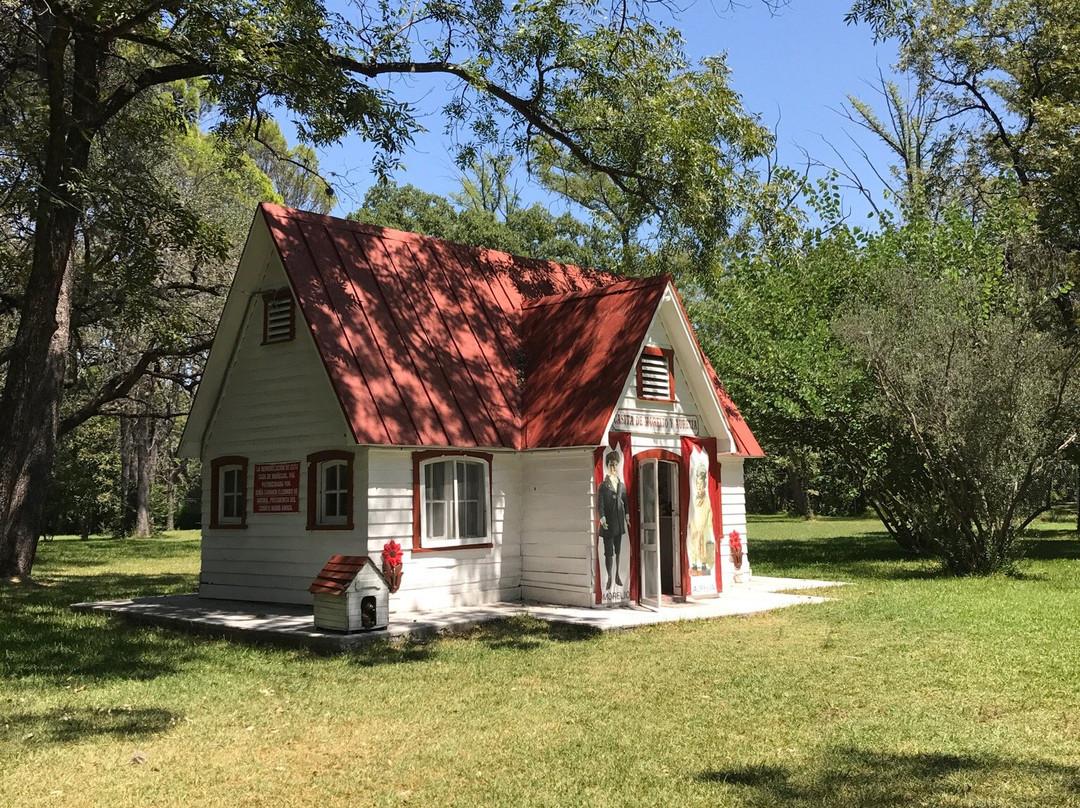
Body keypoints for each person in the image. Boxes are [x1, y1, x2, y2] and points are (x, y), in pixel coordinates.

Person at [597, 451, 628, 591]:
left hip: (619, 522)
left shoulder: (621, 485)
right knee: (608, 552)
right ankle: (609, 576)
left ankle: (617, 575)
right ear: (607, 466)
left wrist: (626, 516)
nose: (613, 467)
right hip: (608, 523)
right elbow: (600, 504)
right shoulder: (603, 486)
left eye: (615, 464)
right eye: (610, 465)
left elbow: (625, 502)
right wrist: (602, 518)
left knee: (618, 550)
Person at [688, 463, 712, 574]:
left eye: (701, 484)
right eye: (698, 484)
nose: (699, 487)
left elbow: (708, 515)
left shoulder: (706, 500)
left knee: (702, 537)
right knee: (694, 537)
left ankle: (703, 562)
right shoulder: (693, 499)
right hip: (695, 525)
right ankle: (694, 561)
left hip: (702, 526)